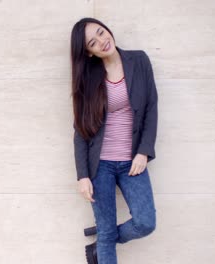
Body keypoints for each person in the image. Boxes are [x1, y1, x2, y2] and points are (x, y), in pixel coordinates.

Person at [70, 17, 158, 263]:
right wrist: (83, 176)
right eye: (93, 42)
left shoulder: (139, 60)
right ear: (88, 52)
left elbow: (151, 106)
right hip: (100, 166)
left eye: (101, 32)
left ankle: (103, 237)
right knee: (107, 232)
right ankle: (104, 237)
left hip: (132, 161)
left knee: (145, 223)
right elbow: (80, 130)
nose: (102, 41)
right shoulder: (87, 79)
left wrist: (143, 152)